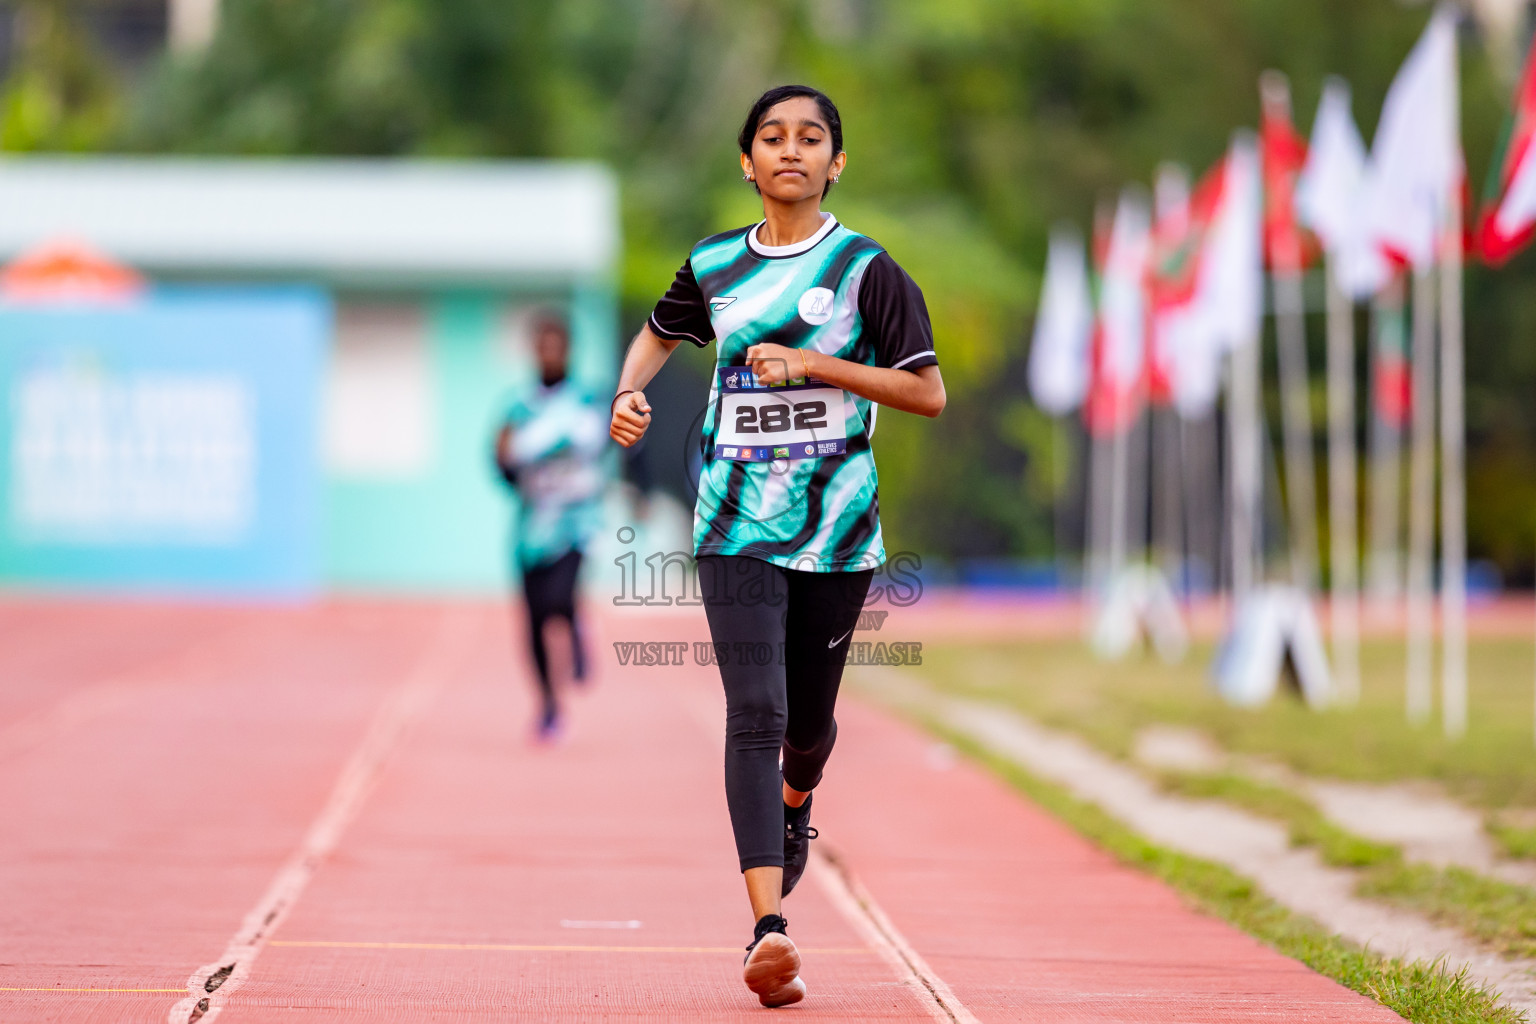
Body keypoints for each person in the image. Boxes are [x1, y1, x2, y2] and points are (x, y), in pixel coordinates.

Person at [609, 84, 945, 1008]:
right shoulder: (714, 264)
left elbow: (926, 394)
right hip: (732, 524)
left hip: (839, 534)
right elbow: (657, 334)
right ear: (747, 162)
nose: (790, 150)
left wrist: (814, 365)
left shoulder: (869, 270)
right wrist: (629, 392)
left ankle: (799, 800)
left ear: (836, 162)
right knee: (753, 710)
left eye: (810, 138)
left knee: (807, 729)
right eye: (771, 137)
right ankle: (769, 930)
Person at [495, 314, 607, 742]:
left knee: (560, 599)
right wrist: (506, 459)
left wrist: (638, 488)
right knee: (535, 619)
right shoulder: (517, 405)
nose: (548, 352)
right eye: (541, 345)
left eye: (555, 345)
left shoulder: (588, 400)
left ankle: (576, 627)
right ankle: (548, 705)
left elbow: (618, 445)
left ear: (568, 349)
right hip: (530, 529)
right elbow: (501, 465)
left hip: (578, 521)